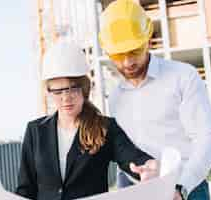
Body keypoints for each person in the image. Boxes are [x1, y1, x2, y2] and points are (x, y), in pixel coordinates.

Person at [98, 0, 211, 200]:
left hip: (187, 190)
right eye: (119, 55)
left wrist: (181, 187)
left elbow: (208, 139)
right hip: (139, 193)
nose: (128, 62)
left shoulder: (183, 77)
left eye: (134, 51)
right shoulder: (115, 97)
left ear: (148, 39)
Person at [15, 40, 159, 200]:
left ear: (84, 88)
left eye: (72, 89)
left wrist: (147, 166)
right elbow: (25, 189)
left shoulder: (105, 128)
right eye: (58, 91)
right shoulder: (35, 131)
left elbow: (132, 157)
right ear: (49, 92)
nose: (66, 98)